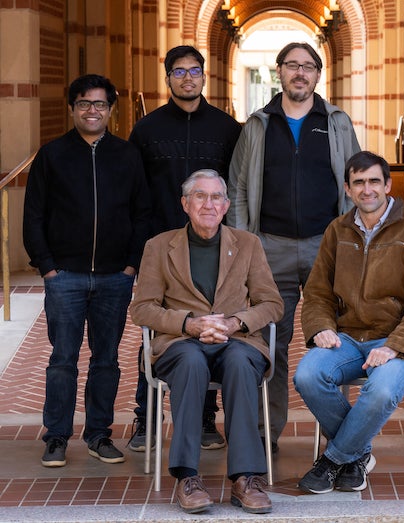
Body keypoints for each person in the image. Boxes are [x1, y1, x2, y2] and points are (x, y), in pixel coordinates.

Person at [227, 42, 361, 451]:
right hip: (270, 248)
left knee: (337, 339)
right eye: (291, 66)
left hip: (329, 247)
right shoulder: (257, 125)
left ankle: (342, 435)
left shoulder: (336, 122)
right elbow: (238, 189)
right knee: (271, 343)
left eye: (307, 66)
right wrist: (242, 245)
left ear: (318, 74)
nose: (299, 73)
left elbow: (356, 183)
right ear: (279, 72)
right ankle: (268, 432)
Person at [129, 170, 283, 514]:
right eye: (200, 196)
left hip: (237, 341)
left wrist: (233, 323)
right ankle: (187, 476)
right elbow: (142, 308)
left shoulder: (248, 244)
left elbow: (272, 303)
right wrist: (189, 324)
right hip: (180, 343)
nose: (209, 204)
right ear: (186, 204)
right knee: (191, 361)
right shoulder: (159, 246)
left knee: (241, 364)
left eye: (216, 197)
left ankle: (246, 478)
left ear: (226, 205)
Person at [293, 150, 404, 494]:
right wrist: (321, 327)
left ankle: (333, 460)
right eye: (358, 182)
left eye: (374, 180)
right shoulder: (337, 230)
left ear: (389, 185)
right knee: (308, 375)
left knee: (383, 389)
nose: (367, 189)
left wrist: (394, 346)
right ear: (348, 189)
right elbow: (316, 292)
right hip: (348, 337)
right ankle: (358, 455)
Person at [22, 74, 151, 468]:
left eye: (99, 104)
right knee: (62, 359)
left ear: (111, 110)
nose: (92, 111)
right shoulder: (52, 155)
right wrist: (47, 267)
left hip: (115, 276)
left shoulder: (127, 155)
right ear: (72, 108)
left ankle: (98, 435)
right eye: (84, 104)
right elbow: (33, 216)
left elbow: (142, 213)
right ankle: (57, 437)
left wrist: (131, 264)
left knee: (107, 359)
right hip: (65, 276)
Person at [128, 45, 242, 452]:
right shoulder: (147, 130)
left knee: (210, 325)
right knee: (159, 329)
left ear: (204, 75)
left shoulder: (228, 129)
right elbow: (135, 193)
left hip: (212, 246)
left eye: (194, 71)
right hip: (161, 249)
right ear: (168, 78)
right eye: (179, 72)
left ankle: (206, 419)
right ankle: (146, 419)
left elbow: (237, 190)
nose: (187, 78)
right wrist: (137, 251)